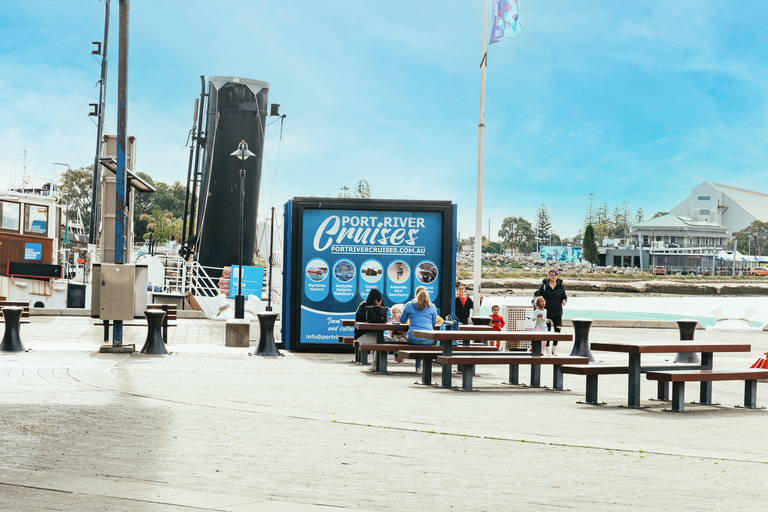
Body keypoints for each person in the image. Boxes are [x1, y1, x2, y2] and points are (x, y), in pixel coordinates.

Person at [399, 287, 437, 374]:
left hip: (413, 338)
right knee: (424, 342)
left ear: (415, 295)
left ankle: (418, 367)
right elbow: (433, 323)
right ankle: (425, 369)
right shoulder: (432, 306)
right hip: (428, 339)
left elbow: (402, 320)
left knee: (418, 340)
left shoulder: (409, 305)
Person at [533, 268, 567, 355]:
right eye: (552, 275)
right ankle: (547, 349)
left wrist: (564, 301)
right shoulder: (544, 286)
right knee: (547, 330)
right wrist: (537, 308)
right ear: (549, 275)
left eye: (555, 275)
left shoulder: (560, 286)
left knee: (557, 330)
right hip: (546, 312)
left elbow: (564, 296)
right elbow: (539, 297)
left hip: (557, 311)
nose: (553, 276)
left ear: (557, 276)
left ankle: (554, 349)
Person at [354, 288, 390, 370]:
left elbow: (383, 319)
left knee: (390, 341)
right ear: (373, 299)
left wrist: (380, 308)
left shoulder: (381, 306)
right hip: (362, 335)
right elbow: (367, 320)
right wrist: (375, 309)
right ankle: (376, 365)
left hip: (374, 334)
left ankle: (378, 364)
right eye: (378, 300)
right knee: (380, 342)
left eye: (380, 300)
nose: (380, 302)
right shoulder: (364, 306)